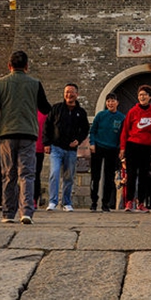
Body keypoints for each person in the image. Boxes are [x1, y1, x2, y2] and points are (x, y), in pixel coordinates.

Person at [0, 50, 51, 225]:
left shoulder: (0, 83)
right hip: (29, 134)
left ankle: (8, 213)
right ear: (27, 66)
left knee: (8, 174)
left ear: (9, 66)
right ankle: (26, 212)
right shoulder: (35, 83)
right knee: (27, 174)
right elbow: (45, 108)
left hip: (7, 134)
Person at [42, 83, 89, 212]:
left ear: (77, 94)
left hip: (71, 150)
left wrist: (78, 140)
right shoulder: (56, 108)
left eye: (72, 92)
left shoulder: (81, 112)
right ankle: (52, 201)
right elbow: (47, 126)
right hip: (56, 148)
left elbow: (85, 129)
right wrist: (46, 143)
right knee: (54, 173)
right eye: (67, 92)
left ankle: (67, 202)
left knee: (68, 176)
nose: (69, 94)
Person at [119, 84, 151, 213]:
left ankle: (141, 202)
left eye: (145, 95)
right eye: (140, 95)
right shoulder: (132, 111)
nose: (142, 97)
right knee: (131, 175)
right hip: (132, 146)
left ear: (150, 97)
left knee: (143, 176)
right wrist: (122, 148)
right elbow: (125, 131)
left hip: (146, 147)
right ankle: (129, 201)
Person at [89, 93, 125, 212]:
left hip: (112, 149)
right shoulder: (100, 115)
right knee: (96, 176)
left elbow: (122, 135)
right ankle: (94, 201)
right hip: (98, 147)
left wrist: (121, 149)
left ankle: (106, 203)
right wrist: (92, 143)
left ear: (117, 103)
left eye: (113, 101)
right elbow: (93, 130)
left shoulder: (121, 118)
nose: (110, 103)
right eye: (108, 101)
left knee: (109, 177)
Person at [33, 110, 47, 209]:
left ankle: (34, 199)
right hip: (24, 148)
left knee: (36, 174)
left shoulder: (44, 113)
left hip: (38, 148)